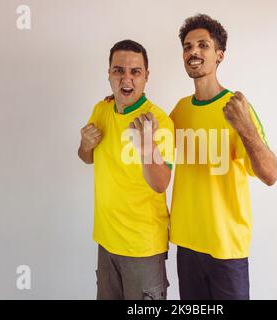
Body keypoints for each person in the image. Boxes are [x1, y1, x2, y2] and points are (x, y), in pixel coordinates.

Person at [169, 14, 277, 300]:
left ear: (219, 55)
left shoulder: (237, 108)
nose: (193, 52)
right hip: (187, 246)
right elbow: (154, 150)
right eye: (188, 46)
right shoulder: (179, 111)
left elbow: (270, 175)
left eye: (203, 45)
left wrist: (245, 128)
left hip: (227, 249)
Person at [78, 39, 173, 300]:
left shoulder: (158, 120)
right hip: (106, 242)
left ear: (146, 77)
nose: (126, 78)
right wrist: (85, 146)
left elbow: (161, 183)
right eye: (118, 70)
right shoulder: (101, 109)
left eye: (135, 71)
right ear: (109, 74)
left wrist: (146, 146)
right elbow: (87, 157)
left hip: (142, 248)